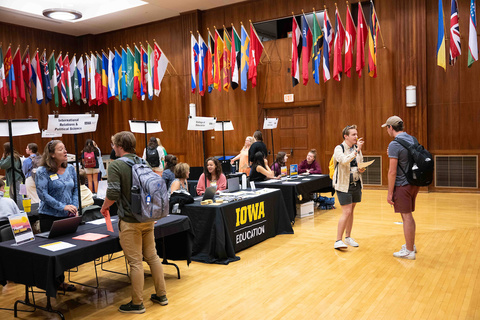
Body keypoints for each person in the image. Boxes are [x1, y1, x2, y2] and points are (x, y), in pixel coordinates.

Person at [100, 131, 168, 314]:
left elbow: (113, 194)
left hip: (130, 220)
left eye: (114, 144)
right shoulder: (142, 161)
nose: (113, 147)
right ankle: (161, 295)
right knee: (152, 256)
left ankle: (137, 303)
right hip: (148, 217)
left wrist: (104, 207)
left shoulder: (116, 166)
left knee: (136, 262)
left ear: (119, 146)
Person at [383, 116, 420, 260]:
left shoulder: (394, 144)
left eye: (387, 127)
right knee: (408, 215)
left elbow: (392, 171)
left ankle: (409, 250)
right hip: (414, 182)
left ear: (391, 128)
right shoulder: (412, 139)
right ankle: (411, 244)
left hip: (402, 184)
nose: (387, 130)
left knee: (406, 216)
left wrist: (389, 193)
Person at [333, 125, 365, 250]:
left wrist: (361, 169)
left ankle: (348, 237)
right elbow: (344, 161)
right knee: (346, 212)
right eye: (353, 135)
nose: (356, 137)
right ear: (346, 136)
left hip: (356, 183)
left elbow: (359, 163)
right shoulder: (338, 149)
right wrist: (356, 151)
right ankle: (338, 240)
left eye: (356, 134)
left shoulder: (357, 148)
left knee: (351, 211)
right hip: (343, 185)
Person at [35, 140, 79, 232]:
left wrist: (74, 207)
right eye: (60, 149)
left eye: (65, 148)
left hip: (69, 215)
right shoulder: (42, 171)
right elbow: (42, 194)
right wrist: (63, 206)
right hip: (49, 217)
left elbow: (76, 189)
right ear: (52, 154)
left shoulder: (70, 168)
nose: (65, 151)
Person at [0, 142, 25, 206]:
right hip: (17, 177)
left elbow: (2, 165)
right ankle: (16, 208)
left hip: (14, 178)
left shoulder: (10, 157)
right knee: (13, 194)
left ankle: (20, 209)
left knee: (16, 195)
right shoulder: (15, 156)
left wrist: (2, 158)